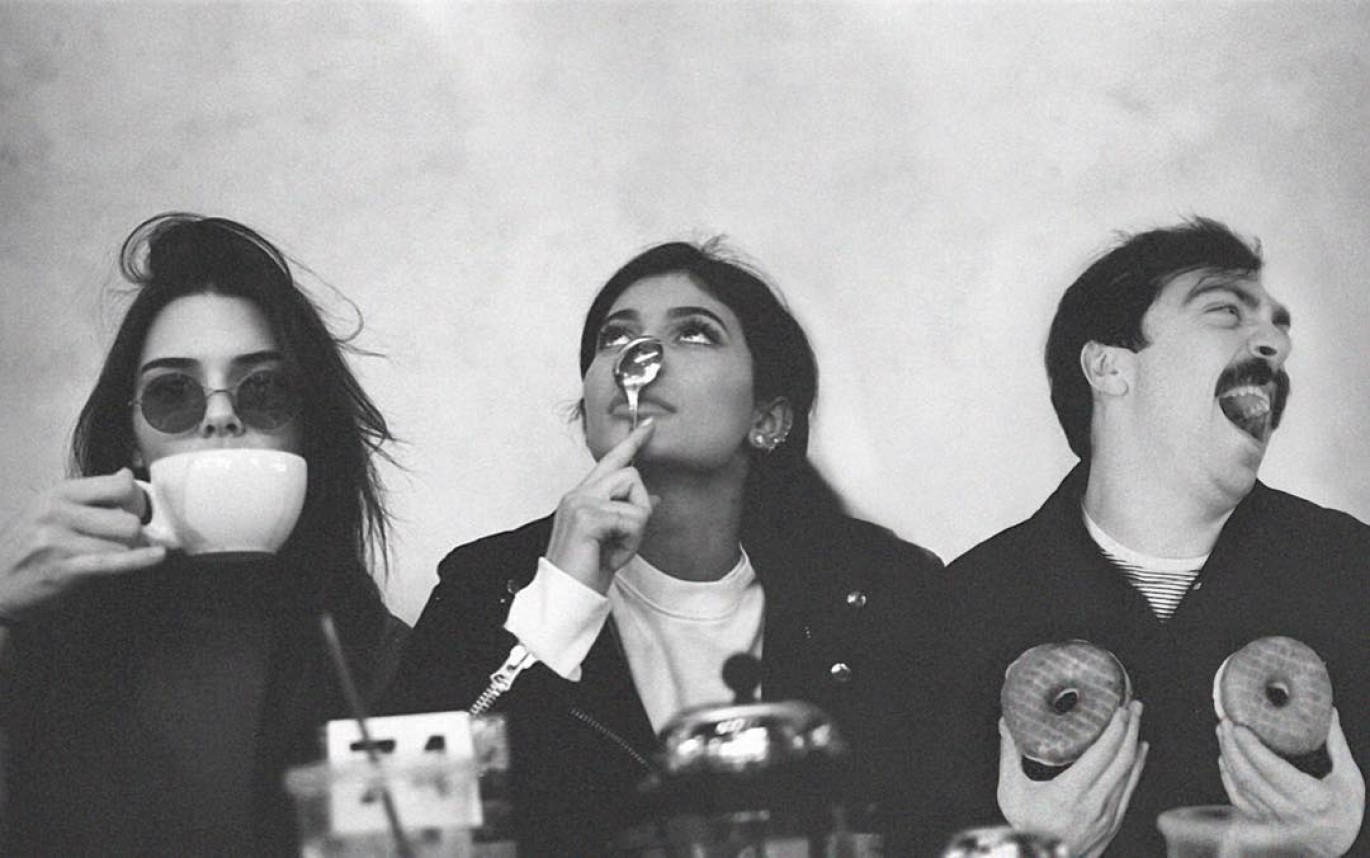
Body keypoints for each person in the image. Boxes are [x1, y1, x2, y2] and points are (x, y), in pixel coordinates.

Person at [383, 240, 950, 854]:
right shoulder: (483, 586)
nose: (640, 356)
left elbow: (935, 825)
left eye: (695, 333)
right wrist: (556, 609)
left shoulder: (883, 590)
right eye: (614, 338)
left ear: (767, 419)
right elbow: (400, 830)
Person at [944, 218, 1367, 855]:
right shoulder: (964, 608)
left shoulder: (1354, 573)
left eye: (1279, 326)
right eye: (1226, 311)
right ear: (1110, 367)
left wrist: (1348, 838)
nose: (1276, 344)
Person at [0, 213, 402, 855]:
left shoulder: (377, 656)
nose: (219, 417)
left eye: (262, 390)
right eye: (173, 394)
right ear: (133, 441)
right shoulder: (44, 646)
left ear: (307, 431)